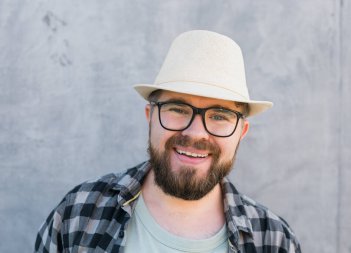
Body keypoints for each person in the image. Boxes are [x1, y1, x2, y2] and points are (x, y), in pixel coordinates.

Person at [35, 30, 301, 253]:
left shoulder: (274, 241)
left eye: (220, 115)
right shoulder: (78, 214)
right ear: (150, 117)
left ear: (241, 132)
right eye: (177, 109)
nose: (196, 133)